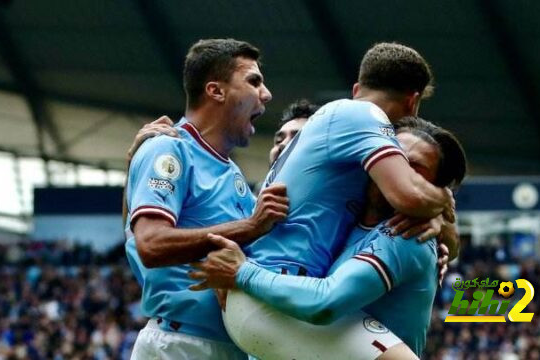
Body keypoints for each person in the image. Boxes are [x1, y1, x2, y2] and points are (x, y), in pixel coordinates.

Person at [190, 117, 468, 359]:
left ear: (431, 189)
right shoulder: (342, 218)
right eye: (394, 158)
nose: (399, 172)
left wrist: (241, 272)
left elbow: (327, 302)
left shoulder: (407, 235)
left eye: (415, 168)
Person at [124, 38, 289, 359]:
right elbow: (150, 244)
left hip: (232, 345)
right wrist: (251, 226)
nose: (266, 94)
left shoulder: (232, 174)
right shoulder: (168, 147)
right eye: (253, 81)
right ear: (216, 91)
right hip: (183, 345)